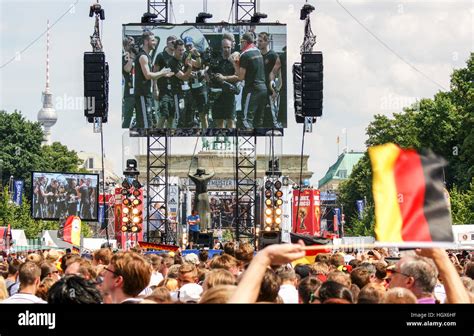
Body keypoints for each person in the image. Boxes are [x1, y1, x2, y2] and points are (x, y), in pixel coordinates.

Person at [134, 31, 173, 129]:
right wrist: (162, 73)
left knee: (147, 122)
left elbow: (152, 75)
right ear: (146, 42)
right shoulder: (143, 56)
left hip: (146, 94)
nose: (155, 42)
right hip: (142, 95)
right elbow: (147, 75)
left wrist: (163, 75)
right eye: (152, 40)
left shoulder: (148, 56)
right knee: (146, 125)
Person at [230, 32, 267, 128]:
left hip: (252, 90)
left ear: (245, 42)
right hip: (263, 89)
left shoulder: (245, 55)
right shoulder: (258, 52)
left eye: (241, 43)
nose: (240, 46)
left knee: (246, 120)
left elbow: (240, 77)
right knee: (258, 121)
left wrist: (234, 63)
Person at [212, 33, 240, 128]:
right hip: (217, 94)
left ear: (232, 46)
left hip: (229, 94)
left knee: (231, 122)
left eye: (228, 47)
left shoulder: (235, 59)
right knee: (219, 122)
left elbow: (238, 77)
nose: (226, 49)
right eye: (224, 47)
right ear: (221, 47)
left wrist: (224, 78)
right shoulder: (216, 59)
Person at [257, 32, 282, 128]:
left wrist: (276, 89)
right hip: (260, 89)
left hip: (270, 89)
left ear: (267, 42)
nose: (258, 43)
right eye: (258, 41)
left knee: (271, 114)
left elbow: (278, 73)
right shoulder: (257, 55)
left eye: (261, 41)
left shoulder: (273, 55)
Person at [183, 36, 207, 129]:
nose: (189, 48)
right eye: (187, 46)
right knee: (189, 112)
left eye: (190, 45)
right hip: (191, 86)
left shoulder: (200, 52)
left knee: (203, 113)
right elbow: (191, 63)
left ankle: (205, 131)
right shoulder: (185, 54)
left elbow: (201, 64)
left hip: (201, 86)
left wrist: (202, 71)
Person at [155, 35, 177, 128]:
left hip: (174, 90)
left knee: (171, 117)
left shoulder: (177, 56)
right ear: (167, 43)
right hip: (163, 90)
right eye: (172, 42)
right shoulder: (161, 55)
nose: (173, 44)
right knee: (163, 115)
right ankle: (158, 132)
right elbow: (155, 73)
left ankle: (167, 134)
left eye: (175, 42)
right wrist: (155, 89)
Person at [122, 36, 137, 128]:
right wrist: (131, 57)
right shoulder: (125, 57)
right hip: (129, 92)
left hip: (139, 92)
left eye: (133, 44)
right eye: (130, 45)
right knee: (128, 117)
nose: (132, 47)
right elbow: (127, 69)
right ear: (125, 46)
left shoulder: (139, 55)